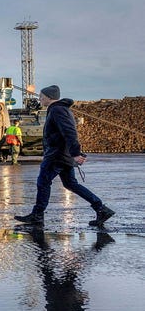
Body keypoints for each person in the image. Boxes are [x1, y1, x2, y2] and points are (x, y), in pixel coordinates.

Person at [15, 85, 115, 226]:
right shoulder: (59, 109)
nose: (40, 99)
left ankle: (37, 216)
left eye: (42, 96)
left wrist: (75, 153)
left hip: (57, 155)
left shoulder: (57, 110)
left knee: (43, 182)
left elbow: (69, 132)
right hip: (62, 154)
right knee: (70, 184)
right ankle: (101, 208)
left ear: (49, 97)